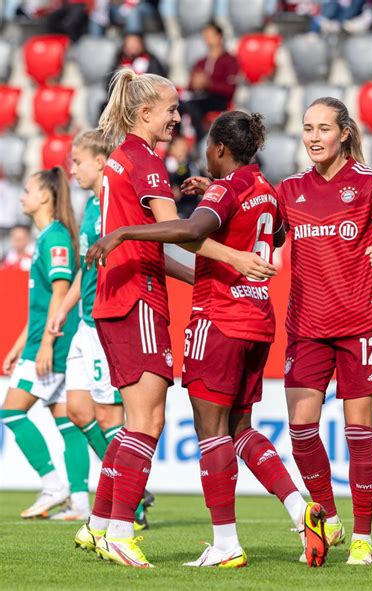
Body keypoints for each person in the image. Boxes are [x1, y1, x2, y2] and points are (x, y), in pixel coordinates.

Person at [86, 110, 329, 569]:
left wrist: (124, 231)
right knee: (240, 428)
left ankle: (225, 542)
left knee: (210, 432)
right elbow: (276, 234)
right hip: (258, 318)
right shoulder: (266, 191)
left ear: (219, 149)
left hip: (218, 319)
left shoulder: (226, 188)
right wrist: (215, 193)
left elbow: (193, 232)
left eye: (209, 150)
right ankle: (301, 510)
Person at [74, 69, 277, 569]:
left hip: (121, 295)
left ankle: (99, 525)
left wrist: (204, 278)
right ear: (144, 113)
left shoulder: (124, 158)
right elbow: (184, 231)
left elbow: (155, 243)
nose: (175, 117)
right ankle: (122, 531)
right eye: (169, 108)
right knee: (149, 419)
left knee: (131, 422)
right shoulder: (143, 161)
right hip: (138, 299)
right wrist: (233, 260)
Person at [277, 96, 372, 566]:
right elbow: (255, 228)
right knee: (299, 430)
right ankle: (330, 518)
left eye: (323, 129)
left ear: (344, 133)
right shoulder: (290, 189)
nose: (314, 137)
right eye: (307, 128)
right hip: (307, 327)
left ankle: (363, 537)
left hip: (361, 323)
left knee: (359, 434)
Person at [46, 130, 152, 526]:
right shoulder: (91, 207)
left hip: (105, 322)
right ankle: (130, 489)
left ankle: (130, 501)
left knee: (110, 418)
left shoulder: (112, 205)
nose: (72, 169)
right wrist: (63, 309)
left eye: (78, 161)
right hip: (83, 324)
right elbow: (85, 268)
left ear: (101, 163)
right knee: (77, 409)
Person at [0, 167, 90, 519]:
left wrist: (46, 346)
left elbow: (61, 294)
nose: (21, 196)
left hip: (52, 344)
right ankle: (81, 503)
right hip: (41, 340)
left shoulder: (55, 239)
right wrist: (19, 345)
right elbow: (41, 306)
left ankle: (54, 485)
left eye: (27, 190)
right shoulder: (47, 237)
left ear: (45, 197)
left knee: (10, 411)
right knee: (66, 422)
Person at [180, 21, 239, 141]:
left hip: (219, 99)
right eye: (205, 37)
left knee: (192, 106)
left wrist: (209, 84)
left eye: (210, 36)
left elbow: (230, 89)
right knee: (177, 105)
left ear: (219, 37)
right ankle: (177, 140)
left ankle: (200, 139)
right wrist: (194, 83)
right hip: (200, 97)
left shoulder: (229, 61)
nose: (207, 39)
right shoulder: (201, 62)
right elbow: (190, 85)